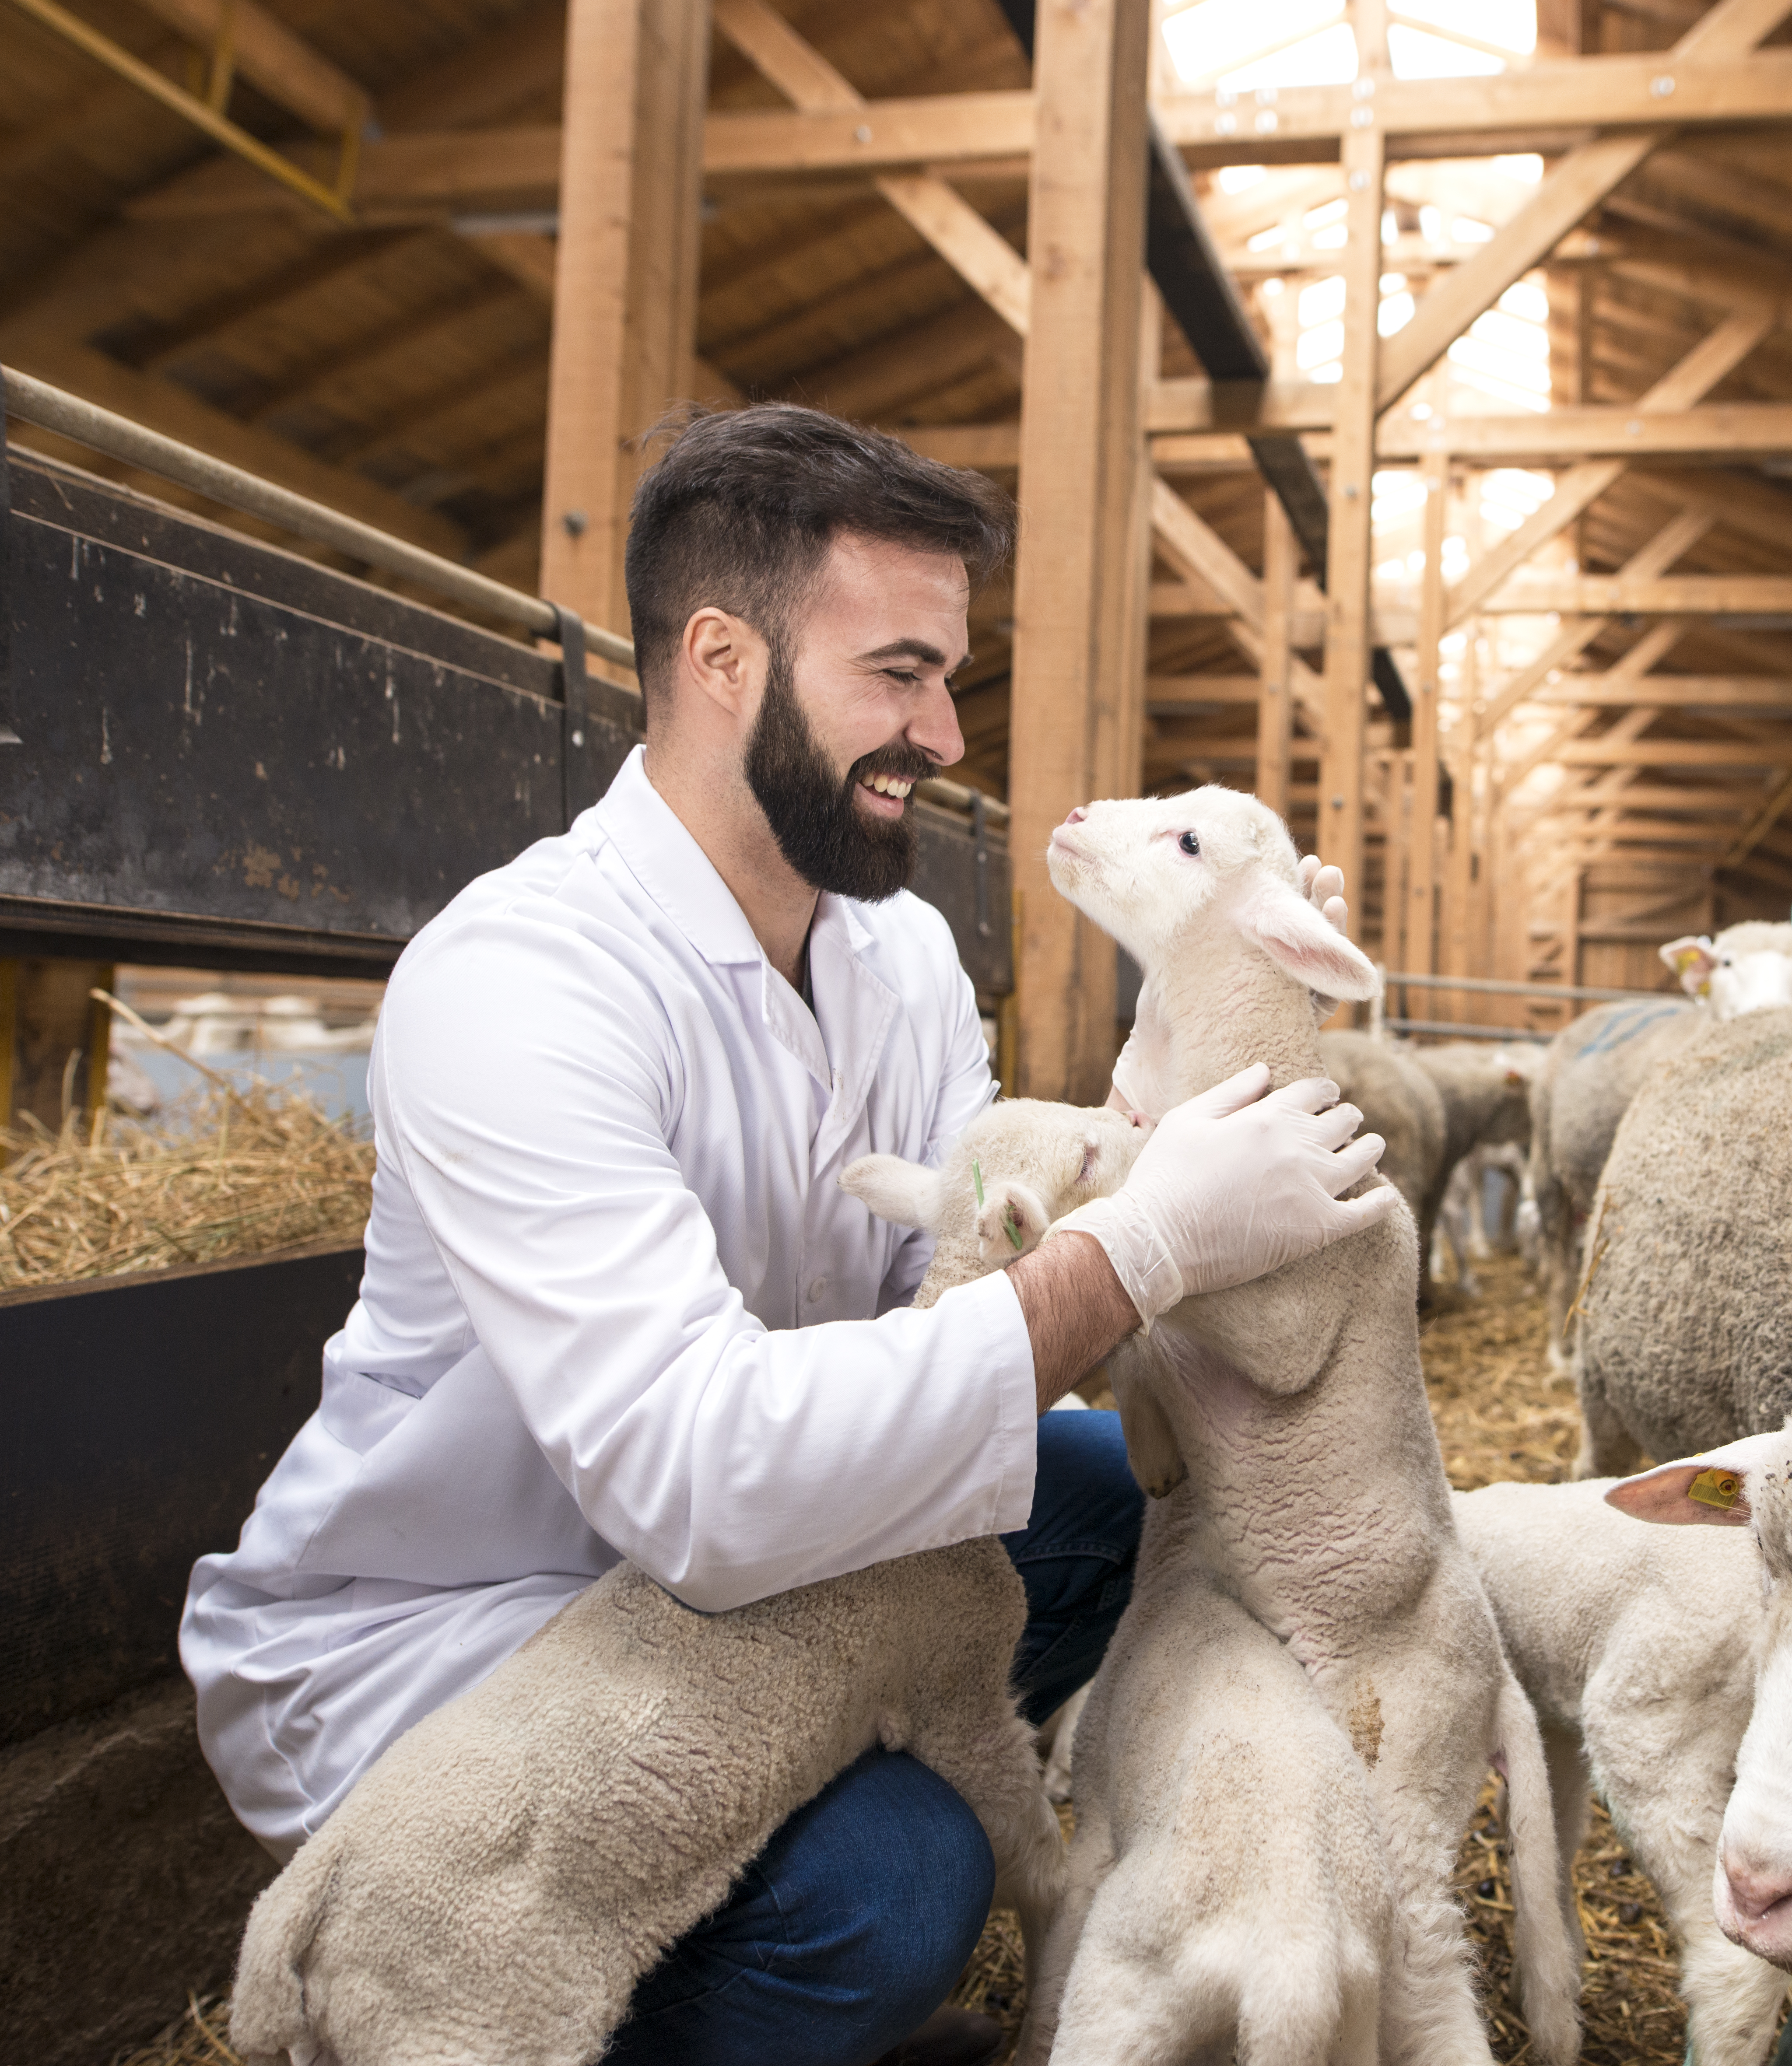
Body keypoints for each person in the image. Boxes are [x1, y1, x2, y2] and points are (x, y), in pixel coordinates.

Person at [180, 404, 1397, 2066]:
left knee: (1121, 1519)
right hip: (474, 1630)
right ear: (722, 659)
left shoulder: (893, 959)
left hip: (767, 1592)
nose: (948, 734)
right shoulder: (522, 982)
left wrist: (1170, 1103)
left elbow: (960, 1296)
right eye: (899, 674)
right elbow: (699, 1481)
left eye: (949, 677)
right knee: (896, 1890)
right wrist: (1149, 1248)